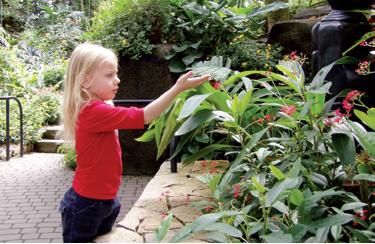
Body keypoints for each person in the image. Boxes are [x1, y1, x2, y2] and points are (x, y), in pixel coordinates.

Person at [59, 43, 210, 242]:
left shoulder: (100, 107)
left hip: (104, 200)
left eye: (116, 73)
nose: (117, 80)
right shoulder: (92, 112)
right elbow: (145, 116)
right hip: (87, 205)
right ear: (85, 81)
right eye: (109, 75)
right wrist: (177, 88)